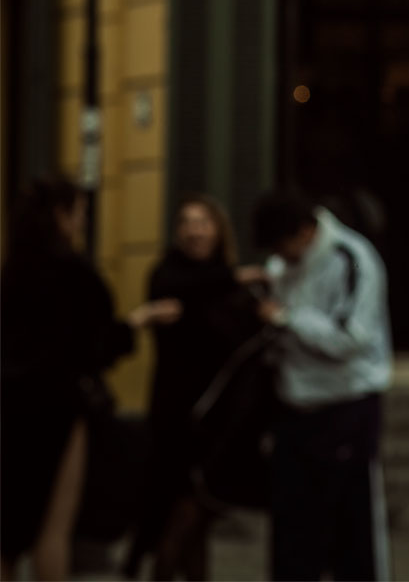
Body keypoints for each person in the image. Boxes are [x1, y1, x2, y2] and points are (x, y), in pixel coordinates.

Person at [1, 175, 179, 581]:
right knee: (53, 530)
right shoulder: (74, 272)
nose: (81, 222)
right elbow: (95, 345)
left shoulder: (13, 271)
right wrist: (138, 322)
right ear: (61, 215)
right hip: (58, 407)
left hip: (10, 404)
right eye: (79, 212)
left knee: (7, 531)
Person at [251, 188, 393, 581]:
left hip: (345, 406)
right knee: (293, 535)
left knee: (353, 531)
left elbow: (352, 338)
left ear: (304, 232)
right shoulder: (281, 267)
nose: (280, 258)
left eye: (283, 247)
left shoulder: (352, 258)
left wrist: (287, 318)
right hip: (294, 410)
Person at [125, 196, 261, 581]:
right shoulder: (171, 275)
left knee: (195, 524)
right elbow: (187, 290)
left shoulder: (225, 283)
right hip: (178, 419)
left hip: (215, 423)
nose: (194, 230)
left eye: (203, 222)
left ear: (219, 230)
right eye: (186, 222)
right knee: (179, 519)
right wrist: (237, 279)